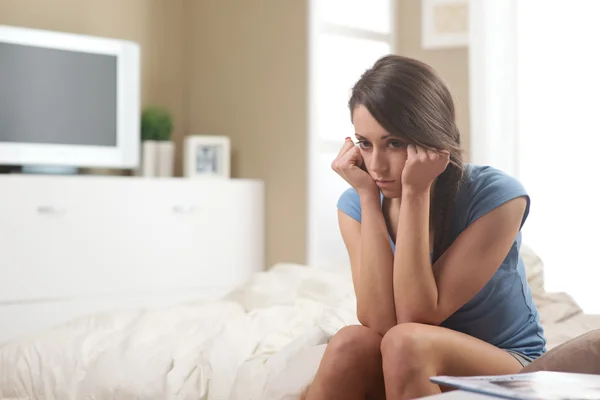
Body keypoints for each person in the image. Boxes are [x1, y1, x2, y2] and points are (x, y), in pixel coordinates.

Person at [304, 55, 547, 400]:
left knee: (406, 342)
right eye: (365, 143)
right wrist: (369, 200)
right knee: (350, 342)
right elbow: (378, 321)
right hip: (410, 358)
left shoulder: (497, 197)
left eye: (395, 143)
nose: (376, 165)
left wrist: (416, 193)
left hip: (509, 366)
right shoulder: (357, 201)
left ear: (432, 139)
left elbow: (417, 318)